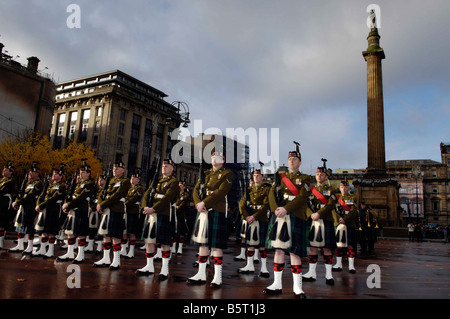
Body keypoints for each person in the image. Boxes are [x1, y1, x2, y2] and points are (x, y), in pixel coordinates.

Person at [264, 149, 310, 299]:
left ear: (300, 162)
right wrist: (275, 209)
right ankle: (277, 284)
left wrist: (286, 209)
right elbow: (271, 193)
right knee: (278, 251)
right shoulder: (280, 178)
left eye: (295, 159)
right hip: (279, 216)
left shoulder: (305, 178)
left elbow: (302, 197)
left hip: (294, 216)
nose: (291, 161)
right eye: (290, 159)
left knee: (294, 252)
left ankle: (297, 288)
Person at [187, 152, 233, 288]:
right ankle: (201, 273)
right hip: (203, 211)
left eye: (217, 157)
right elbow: (196, 190)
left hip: (216, 210)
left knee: (216, 245)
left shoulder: (227, 174)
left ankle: (217, 276)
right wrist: (197, 203)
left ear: (223, 160)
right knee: (203, 244)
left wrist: (204, 202)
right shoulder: (205, 173)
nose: (214, 159)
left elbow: (221, 191)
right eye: (212, 157)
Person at [137, 159, 179, 280]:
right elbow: (147, 193)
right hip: (152, 214)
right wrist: (144, 206)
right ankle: (149, 266)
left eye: (167, 166)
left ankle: (164, 269)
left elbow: (167, 198)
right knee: (149, 241)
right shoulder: (158, 180)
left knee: (164, 243)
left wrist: (153, 209)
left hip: (163, 213)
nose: (164, 168)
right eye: (163, 166)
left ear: (172, 169)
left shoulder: (173, 182)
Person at [94, 160, 130, 269]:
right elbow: (102, 193)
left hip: (116, 209)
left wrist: (103, 204)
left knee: (115, 236)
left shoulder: (125, 181)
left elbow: (117, 195)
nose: (115, 170)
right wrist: (99, 203)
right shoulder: (110, 180)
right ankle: (106, 258)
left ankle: (116, 260)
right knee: (106, 235)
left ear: (123, 170)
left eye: (118, 169)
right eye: (114, 169)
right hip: (107, 210)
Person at [59, 161, 96, 263]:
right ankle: (70, 253)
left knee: (81, 233)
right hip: (73, 210)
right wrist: (67, 204)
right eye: (80, 172)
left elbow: (81, 197)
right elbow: (71, 195)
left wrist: (68, 205)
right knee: (70, 232)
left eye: (83, 172)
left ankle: (81, 254)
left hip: (81, 210)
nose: (81, 174)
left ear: (88, 173)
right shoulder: (78, 183)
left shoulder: (90, 184)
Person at [237, 169, 270, 278]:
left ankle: (264, 268)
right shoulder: (248, 190)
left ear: (262, 177)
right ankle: (249, 265)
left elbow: (266, 206)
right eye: (254, 175)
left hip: (261, 219)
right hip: (250, 218)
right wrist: (246, 216)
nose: (256, 177)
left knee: (261, 246)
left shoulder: (266, 189)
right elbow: (242, 204)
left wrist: (254, 217)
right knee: (250, 244)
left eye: (258, 175)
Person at [33, 165, 67, 258]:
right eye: (53, 174)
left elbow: (54, 198)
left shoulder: (61, 186)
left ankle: (50, 250)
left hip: (54, 210)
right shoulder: (50, 186)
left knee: (51, 231)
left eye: (56, 174)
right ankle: (42, 248)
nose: (53, 175)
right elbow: (43, 195)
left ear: (61, 176)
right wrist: (39, 203)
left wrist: (42, 205)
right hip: (47, 209)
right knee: (45, 230)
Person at [10, 162, 43, 254]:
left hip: (30, 207)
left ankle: (30, 246)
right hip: (23, 206)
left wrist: (18, 202)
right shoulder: (28, 182)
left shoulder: (38, 183)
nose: (30, 174)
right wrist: (17, 201)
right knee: (20, 225)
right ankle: (20, 245)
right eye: (30, 172)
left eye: (32, 172)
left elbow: (30, 195)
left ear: (37, 174)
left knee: (29, 228)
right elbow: (21, 193)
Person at [332, 180, 358, 273]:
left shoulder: (353, 198)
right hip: (339, 224)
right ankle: (338, 264)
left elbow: (353, 211)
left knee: (350, 245)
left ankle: (351, 266)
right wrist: (339, 220)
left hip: (349, 224)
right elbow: (333, 210)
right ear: (340, 188)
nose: (344, 189)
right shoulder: (336, 198)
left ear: (349, 188)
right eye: (342, 187)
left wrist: (345, 220)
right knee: (338, 245)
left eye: (346, 187)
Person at [123, 168, 144, 259]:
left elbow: (133, 199)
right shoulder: (128, 188)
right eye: (132, 177)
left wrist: (124, 204)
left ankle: (131, 251)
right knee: (124, 231)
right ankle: (123, 249)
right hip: (126, 212)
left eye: (135, 178)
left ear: (138, 179)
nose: (132, 179)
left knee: (131, 232)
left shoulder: (139, 188)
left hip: (133, 212)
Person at [0, 161, 16, 250]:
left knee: (1, 224)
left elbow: (2, 191)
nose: (4, 171)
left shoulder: (10, 181)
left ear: (10, 172)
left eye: (6, 170)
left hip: (3, 204)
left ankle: (0, 243)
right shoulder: (1, 180)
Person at [173, 181, 190, 255]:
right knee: (173, 232)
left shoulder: (185, 195)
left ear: (184, 187)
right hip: (174, 215)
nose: (179, 187)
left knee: (181, 232)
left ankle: (180, 248)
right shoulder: (174, 195)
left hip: (180, 216)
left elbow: (182, 205)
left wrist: (175, 209)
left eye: (181, 186)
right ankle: (173, 247)